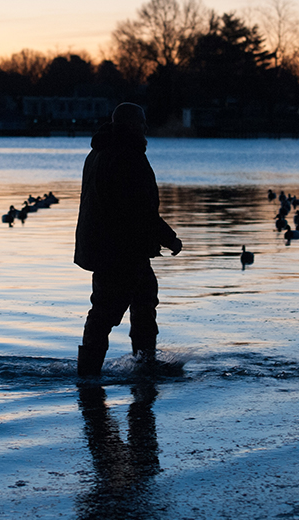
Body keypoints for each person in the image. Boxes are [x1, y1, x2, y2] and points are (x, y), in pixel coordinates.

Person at [73, 102, 182, 377]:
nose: (146, 127)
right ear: (132, 125)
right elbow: (140, 209)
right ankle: (92, 374)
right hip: (120, 251)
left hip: (106, 249)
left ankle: (142, 364)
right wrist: (170, 238)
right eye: (142, 122)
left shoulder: (97, 153)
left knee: (142, 303)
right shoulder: (127, 156)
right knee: (106, 313)